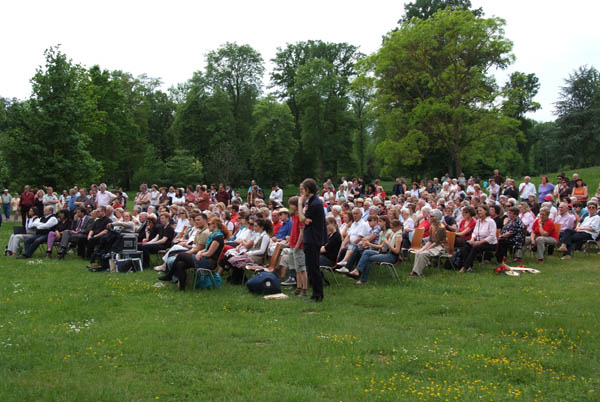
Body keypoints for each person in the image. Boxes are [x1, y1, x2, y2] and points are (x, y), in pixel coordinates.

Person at [163, 217, 229, 291]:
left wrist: (200, 254)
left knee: (181, 255)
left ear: (214, 225)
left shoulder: (218, 238)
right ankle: (182, 289)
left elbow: (209, 254)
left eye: (209, 224)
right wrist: (200, 252)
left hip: (209, 263)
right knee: (180, 264)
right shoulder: (213, 235)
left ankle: (169, 275)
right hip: (204, 259)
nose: (208, 226)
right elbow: (206, 249)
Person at [298, 178, 327, 302]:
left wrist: (299, 203)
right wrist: (305, 219)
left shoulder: (315, 203)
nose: (301, 192)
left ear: (308, 189)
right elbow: (305, 220)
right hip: (311, 237)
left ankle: (317, 295)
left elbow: (302, 219)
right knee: (311, 267)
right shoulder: (312, 201)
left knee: (313, 268)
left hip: (313, 239)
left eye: (302, 189)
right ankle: (316, 294)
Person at [349, 217, 402, 284]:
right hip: (385, 253)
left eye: (393, 228)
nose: (392, 230)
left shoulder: (398, 236)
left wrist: (387, 243)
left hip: (391, 257)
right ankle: (357, 270)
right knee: (366, 252)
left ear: (398, 227)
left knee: (368, 258)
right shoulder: (392, 233)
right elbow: (383, 246)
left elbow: (397, 251)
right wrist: (386, 239)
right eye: (391, 228)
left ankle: (362, 280)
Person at [457, 205, 497, 273]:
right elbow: (474, 233)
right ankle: (469, 267)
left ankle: (465, 267)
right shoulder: (478, 221)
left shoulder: (491, 222)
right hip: (478, 241)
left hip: (490, 244)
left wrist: (480, 242)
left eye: (480, 210)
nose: (479, 212)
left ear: (486, 211)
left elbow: (492, 236)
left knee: (475, 247)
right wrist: (472, 239)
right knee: (466, 246)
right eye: (478, 211)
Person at [409, 210, 446, 277]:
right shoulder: (432, 226)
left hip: (440, 247)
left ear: (436, 217)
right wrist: (423, 249)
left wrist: (426, 249)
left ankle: (416, 273)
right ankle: (414, 271)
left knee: (423, 253)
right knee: (418, 252)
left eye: (431, 216)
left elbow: (436, 243)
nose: (429, 217)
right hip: (433, 245)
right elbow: (430, 241)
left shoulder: (441, 227)